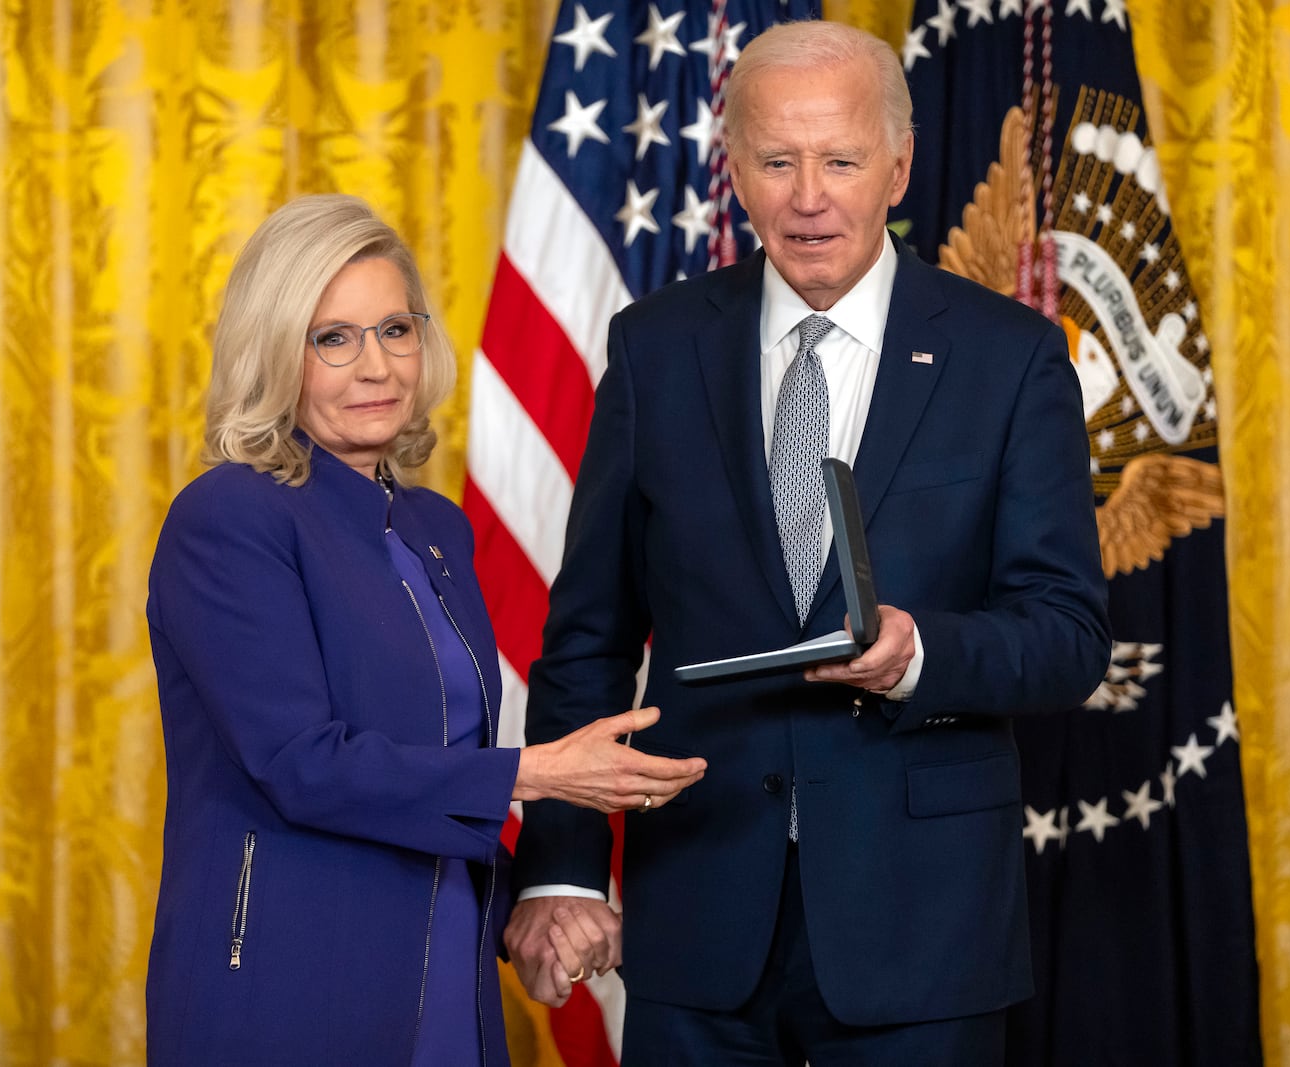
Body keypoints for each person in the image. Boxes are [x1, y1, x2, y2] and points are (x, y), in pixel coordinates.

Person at [505, 20, 1110, 1065]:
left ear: (897, 164)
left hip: (920, 929)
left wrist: (920, 654)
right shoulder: (655, 349)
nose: (807, 195)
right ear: (733, 168)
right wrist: (561, 868)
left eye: (839, 159)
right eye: (776, 161)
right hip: (697, 912)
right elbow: (587, 638)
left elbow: (1066, 632)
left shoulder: (1010, 359)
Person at [144, 193, 705, 1066]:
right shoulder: (228, 517)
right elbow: (303, 765)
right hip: (289, 985)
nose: (376, 366)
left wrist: (527, 909)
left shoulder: (434, 527)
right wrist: (540, 771)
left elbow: (431, 770)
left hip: (444, 966)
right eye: (334, 337)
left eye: (395, 330)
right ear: (273, 351)